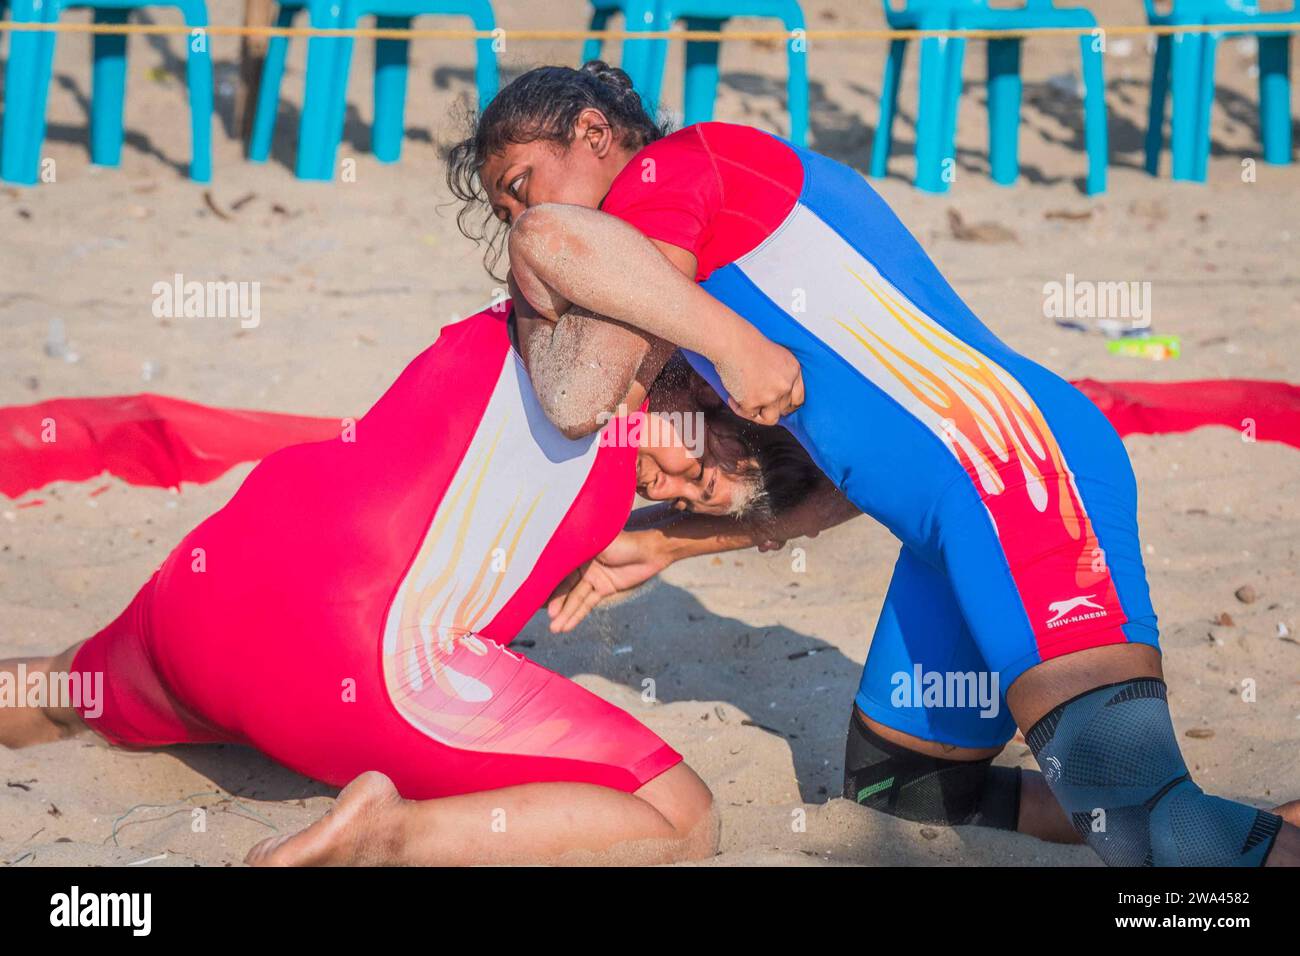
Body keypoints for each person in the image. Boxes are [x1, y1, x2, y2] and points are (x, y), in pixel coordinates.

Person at [446, 62, 1299, 866]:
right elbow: (839, 482)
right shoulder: (710, 263)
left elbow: (579, 391)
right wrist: (671, 544)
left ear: (595, 132)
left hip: (1017, 476)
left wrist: (541, 273)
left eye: (521, 188)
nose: (522, 220)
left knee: (1149, 822)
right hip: (958, 520)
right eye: (508, 210)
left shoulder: (670, 171)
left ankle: (1198, 829)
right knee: (907, 788)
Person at [0, 302, 819, 866]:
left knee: (54, 689)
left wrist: (671, 543)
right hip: (355, 660)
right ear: (714, 394)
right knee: (684, 818)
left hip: (198, 595)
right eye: (701, 474)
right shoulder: (612, 446)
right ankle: (388, 837)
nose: (665, 490)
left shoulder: (515, 315)